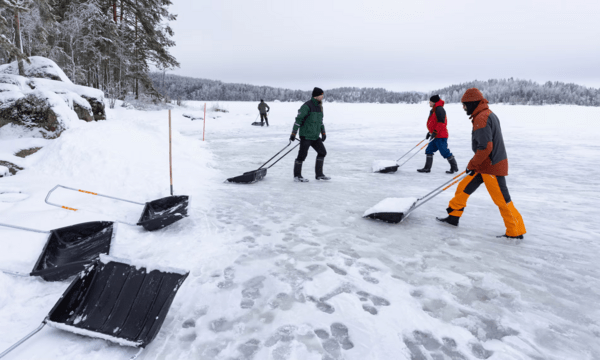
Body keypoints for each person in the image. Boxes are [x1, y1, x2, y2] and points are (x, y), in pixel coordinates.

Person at [437, 88, 526, 239]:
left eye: (465, 104)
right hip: (484, 164)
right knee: (463, 188)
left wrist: (472, 164)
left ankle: (515, 231)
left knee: (502, 200)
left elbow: (485, 147)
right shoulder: (486, 114)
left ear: (472, 103)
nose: (463, 108)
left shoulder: (481, 118)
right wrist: (476, 164)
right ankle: (453, 216)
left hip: (492, 167)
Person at [289, 87, 329, 182]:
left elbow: (320, 122)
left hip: (315, 136)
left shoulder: (319, 107)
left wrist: (323, 132)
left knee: (322, 152)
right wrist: (293, 133)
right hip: (306, 136)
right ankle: (297, 176)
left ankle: (319, 174)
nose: (322, 97)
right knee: (302, 156)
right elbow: (298, 120)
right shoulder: (306, 106)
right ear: (316, 96)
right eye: (321, 95)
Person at [417, 95, 459, 174]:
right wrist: (430, 132)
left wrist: (435, 132)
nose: (429, 102)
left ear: (434, 102)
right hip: (435, 135)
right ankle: (427, 168)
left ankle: (454, 167)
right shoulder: (434, 109)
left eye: (430, 101)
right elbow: (434, 123)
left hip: (440, 136)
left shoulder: (439, 109)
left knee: (444, 152)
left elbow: (441, 123)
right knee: (429, 150)